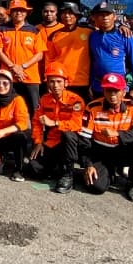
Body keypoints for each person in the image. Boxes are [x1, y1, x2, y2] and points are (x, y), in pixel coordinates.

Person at [75, 72, 133, 201]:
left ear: (124, 92)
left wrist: (119, 134)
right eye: (108, 90)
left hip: (122, 150)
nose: (112, 94)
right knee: (95, 187)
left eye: (116, 91)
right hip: (101, 153)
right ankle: (108, 171)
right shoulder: (92, 107)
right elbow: (84, 140)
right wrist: (88, 165)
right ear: (103, 91)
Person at [30, 64, 86, 192]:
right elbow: (36, 122)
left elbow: (77, 124)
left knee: (68, 135)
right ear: (47, 83)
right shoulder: (44, 100)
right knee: (34, 168)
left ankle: (68, 175)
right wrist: (38, 142)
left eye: (59, 81)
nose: (55, 85)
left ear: (66, 83)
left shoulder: (75, 100)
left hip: (71, 143)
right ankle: (56, 168)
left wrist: (55, 123)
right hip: (52, 141)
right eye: (52, 81)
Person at [0, 0, 45, 116]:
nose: (18, 13)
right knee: (8, 110)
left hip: (30, 76)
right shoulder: (1, 29)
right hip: (8, 76)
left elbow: (39, 54)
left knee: (35, 110)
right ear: (10, 13)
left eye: (22, 10)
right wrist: (13, 67)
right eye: (15, 10)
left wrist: (22, 67)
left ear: (26, 12)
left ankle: (36, 129)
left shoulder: (35, 31)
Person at [0, 69, 32, 181]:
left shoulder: (17, 99)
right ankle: (1, 157)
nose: (1, 86)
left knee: (20, 135)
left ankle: (18, 169)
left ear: (11, 84)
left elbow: (23, 123)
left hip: (11, 137)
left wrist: (4, 131)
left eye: (5, 83)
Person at [87, 2, 133, 98]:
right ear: (96, 18)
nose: (105, 17)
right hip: (98, 86)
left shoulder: (125, 35)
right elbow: (92, 61)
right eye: (101, 15)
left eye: (108, 14)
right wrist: (91, 83)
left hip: (119, 86)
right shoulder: (93, 36)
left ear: (114, 16)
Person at [47, 4, 92, 98]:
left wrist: (121, 26)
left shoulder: (89, 32)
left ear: (77, 16)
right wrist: (48, 80)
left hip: (83, 81)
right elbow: (49, 60)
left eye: (71, 13)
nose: (67, 16)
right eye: (64, 13)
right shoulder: (54, 35)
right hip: (61, 81)